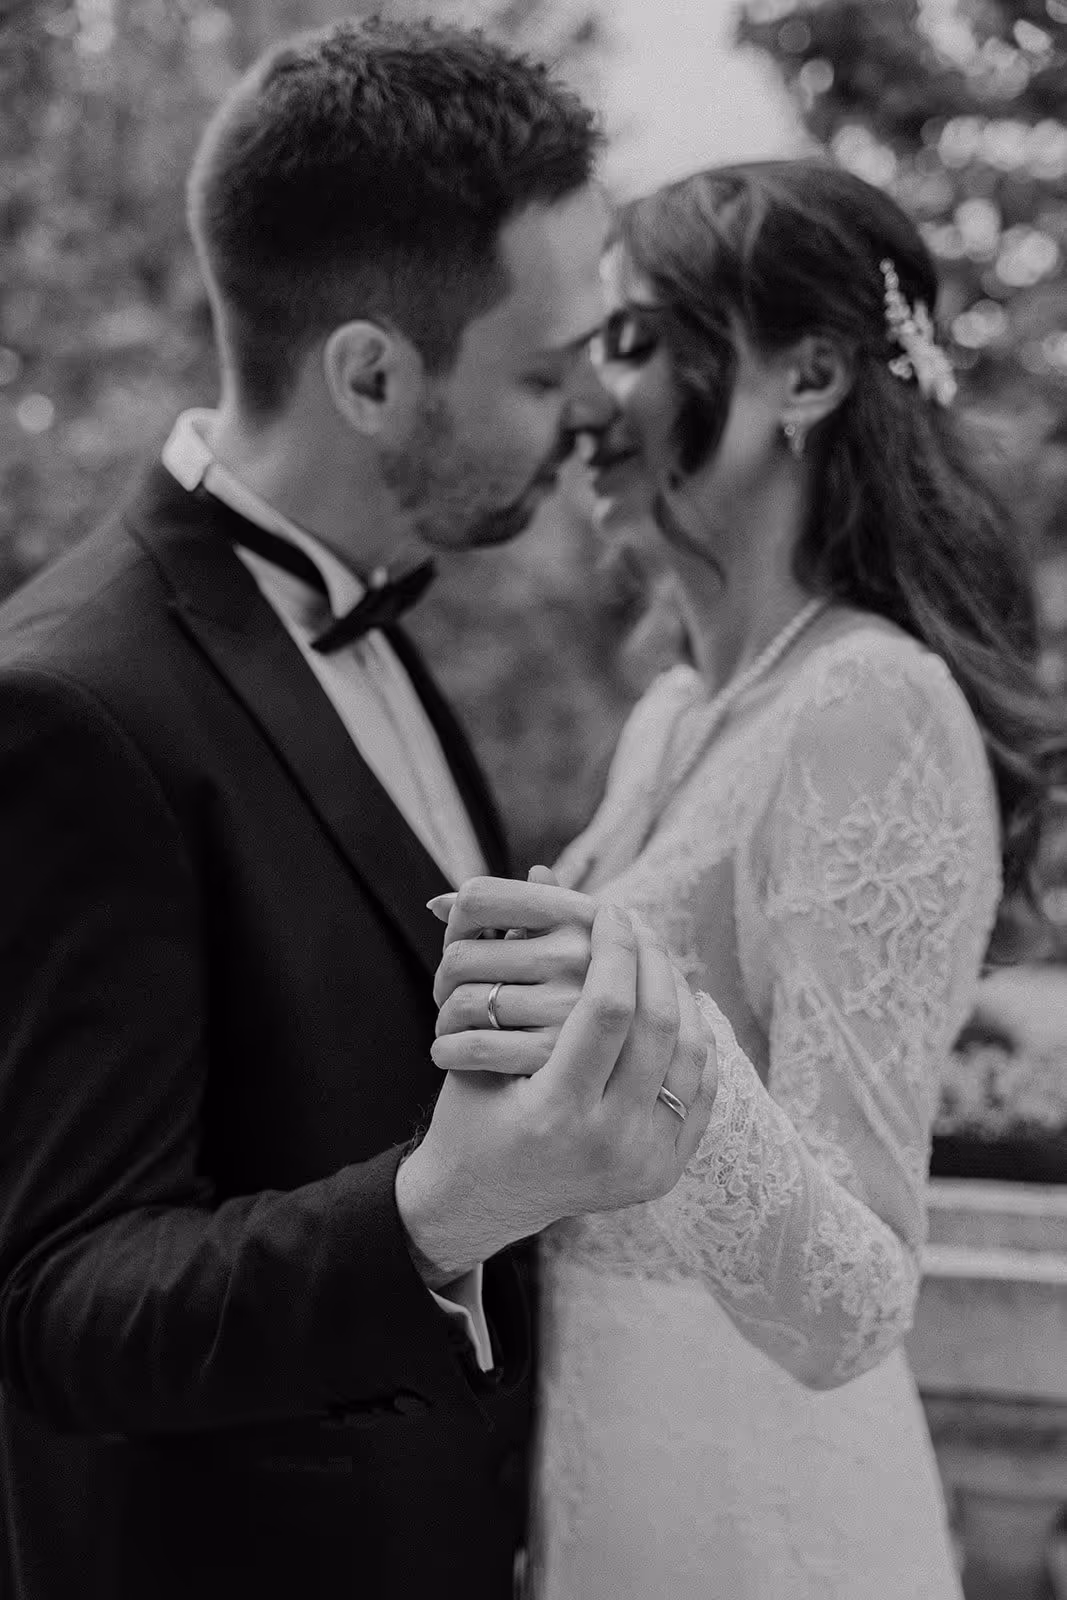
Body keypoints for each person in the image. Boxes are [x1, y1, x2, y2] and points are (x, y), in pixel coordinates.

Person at [0, 21, 718, 1600]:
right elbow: (61, 1307)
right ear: (373, 375)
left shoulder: (379, 635)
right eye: (541, 371)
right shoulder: (69, 707)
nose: (588, 418)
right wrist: (444, 1207)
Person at [431, 159, 1067, 1598]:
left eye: (639, 342)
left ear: (810, 375)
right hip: (592, 1492)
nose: (586, 403)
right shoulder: (672, 713)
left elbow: (855, 1299)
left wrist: (660, 1049)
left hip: (761, 1518)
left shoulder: (869, 710)